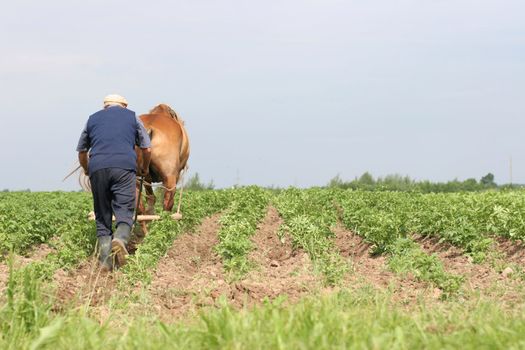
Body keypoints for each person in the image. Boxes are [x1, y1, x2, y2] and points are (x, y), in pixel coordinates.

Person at [76, 94, 151, 271]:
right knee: (125, 210)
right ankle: (121, 238)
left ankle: (105, 262)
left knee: (102, 216)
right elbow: (146, 148)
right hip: (124, 167)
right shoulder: (133, 117)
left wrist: (87, 169)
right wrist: (144, 168)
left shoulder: (92, 119)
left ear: (105, 107)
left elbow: (81, 151)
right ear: (124, 106)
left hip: (98, 167)